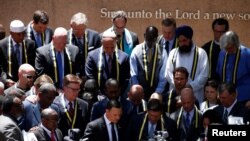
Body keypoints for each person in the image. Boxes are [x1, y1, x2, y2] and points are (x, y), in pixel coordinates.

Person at [166, 25, 209, 103]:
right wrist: (178, 84)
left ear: (190, 39)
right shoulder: (173, 53)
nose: (182, 43)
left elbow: (204, 75)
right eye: (180, 41)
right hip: (176, 94)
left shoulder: (201, 53)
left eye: (184, 40)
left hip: (195, 94)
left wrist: (190, 86)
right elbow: (168, 73)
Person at [85, 29, 130, 95]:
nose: (109, 50)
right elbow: (90, 77)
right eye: (106, 47)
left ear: (116, 42)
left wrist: (117, 93)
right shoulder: (92, 56)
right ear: (102, 43)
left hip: (117, 94)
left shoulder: (124, 57)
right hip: (99, 94)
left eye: (112, 47)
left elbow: (126, 79)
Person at [130, 26, 168, 100]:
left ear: (157, 38)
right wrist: (138, 90)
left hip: (157, 92)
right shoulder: (136, 51)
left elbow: (163, 75)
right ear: (144, 36)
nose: (150, 42)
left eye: (153, 39)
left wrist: (157, 92)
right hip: (140, 92)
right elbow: (133, 74)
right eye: (148, 39)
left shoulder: (163, 52)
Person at [216, 31, 250, 105]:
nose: (228, 50)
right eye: (226, 48)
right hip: (225, 99)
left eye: (230, 48)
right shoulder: (222, 53)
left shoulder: (247, 54)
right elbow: (219, 75)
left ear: (236, 44)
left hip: (244, 99)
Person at [68, 12, 101, 79]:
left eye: (82, 30)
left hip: (89, 75)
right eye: (76, 30)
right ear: (71, 25)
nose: (80, 33)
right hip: (71, 76)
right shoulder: (65, 37)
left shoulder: (94, 36)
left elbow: (98, 57)